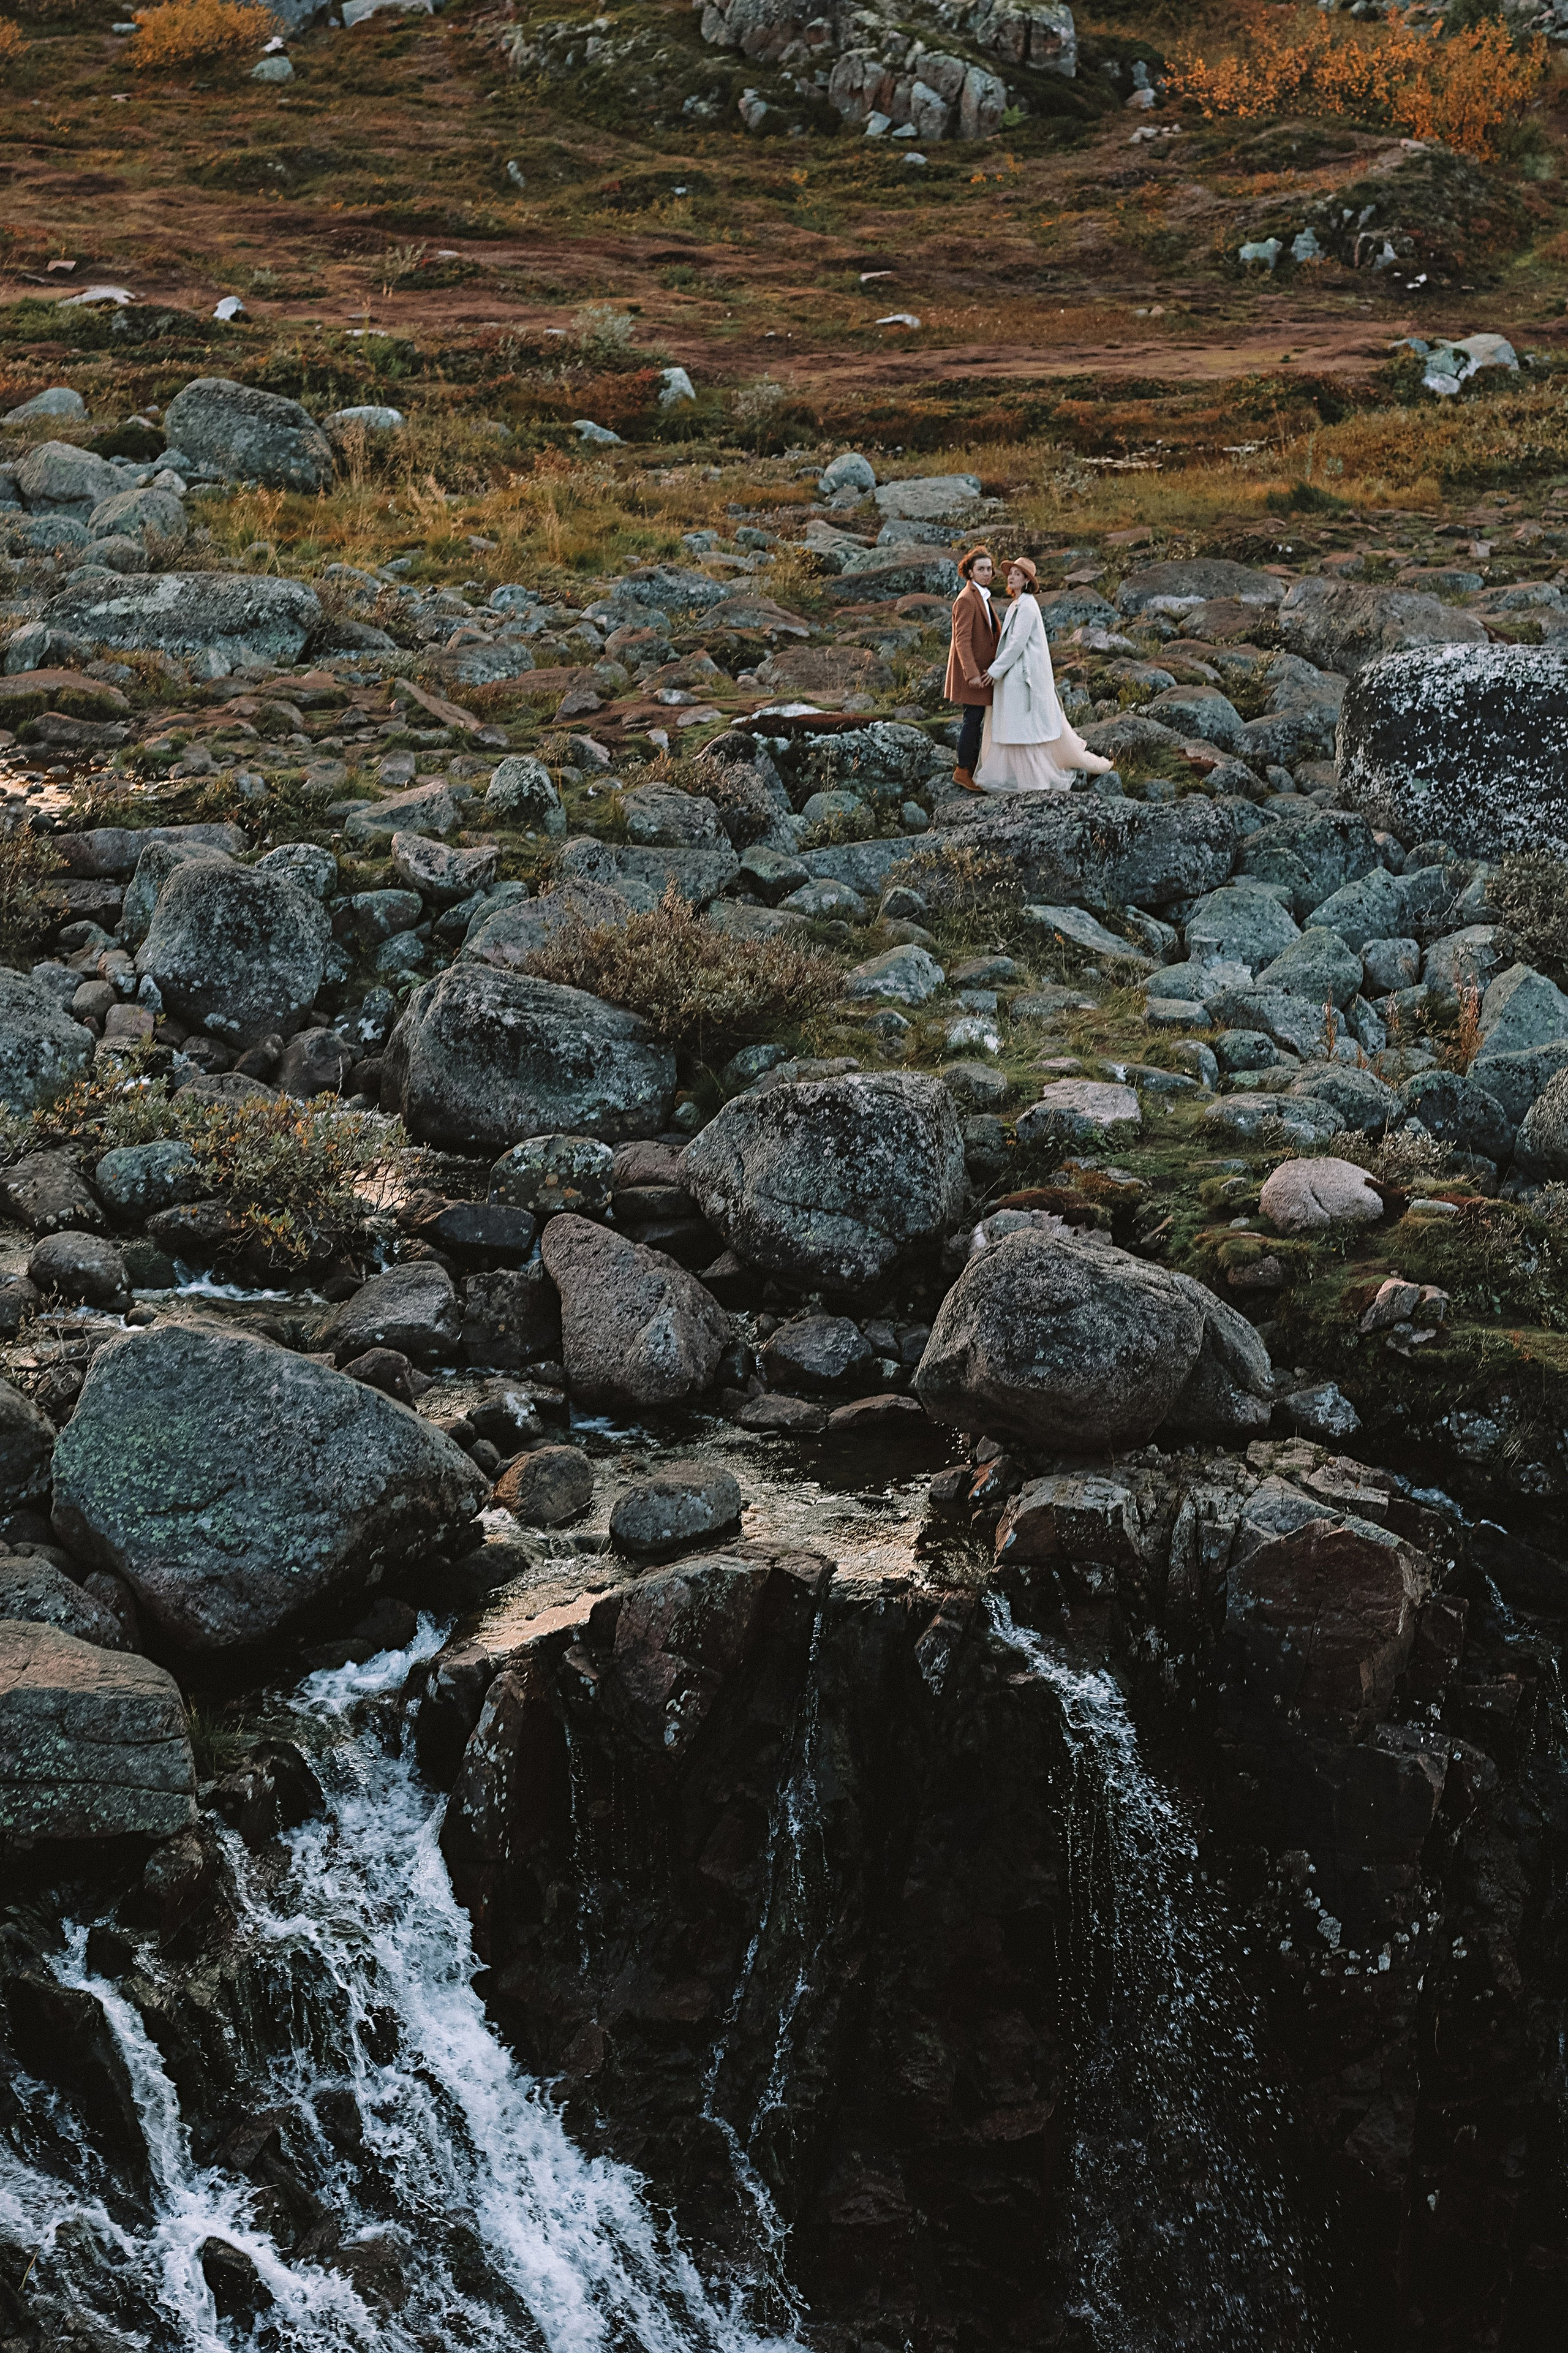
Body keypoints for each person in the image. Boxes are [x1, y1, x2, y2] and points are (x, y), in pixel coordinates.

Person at [976, 557, 1115, 794]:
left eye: (1018, 575)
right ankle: (1020, 777)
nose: (1011, 577)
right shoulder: (1017, 605)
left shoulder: (1028, 605)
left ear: (1027, 581)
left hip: (1023, 674)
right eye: (1011, 574)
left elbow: (1017, 644)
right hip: (1016, 673)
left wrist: (995, 671)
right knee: (1017, 726)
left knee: (1023, 728)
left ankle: (1034, 781)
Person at [944, 546, 1001, 793]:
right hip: (974, 674)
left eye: (989, 569)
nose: (987, 573)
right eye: (981, 569)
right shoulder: (967, 599)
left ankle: (972, 766)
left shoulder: (982, 596)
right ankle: (963, 770)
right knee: (972, 719)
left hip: (983, 673)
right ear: (969, 572)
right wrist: (972, 675)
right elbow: (961, 641)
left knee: (976, 719)